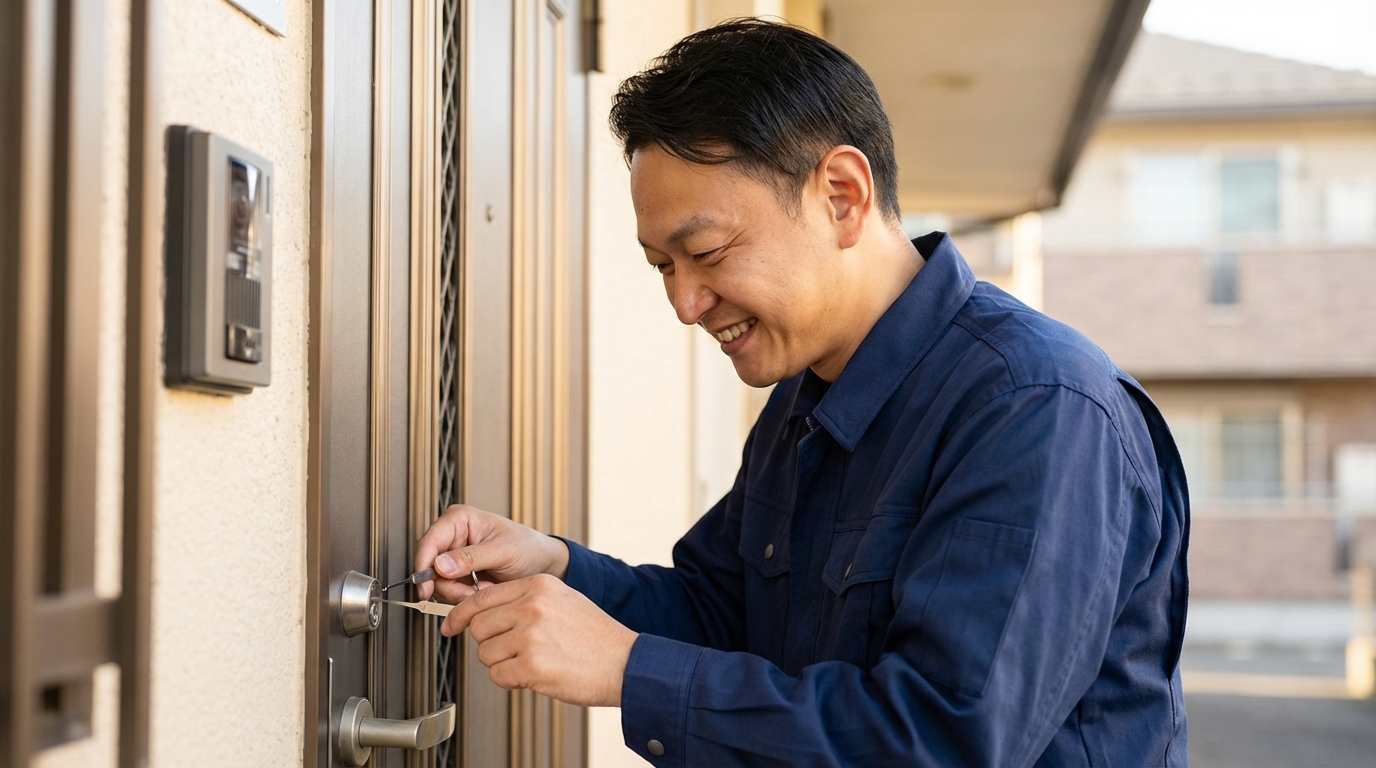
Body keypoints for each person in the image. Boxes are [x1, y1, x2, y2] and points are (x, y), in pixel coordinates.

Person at [414, 18, 1190, 767]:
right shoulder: (807, 396)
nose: (685, 305)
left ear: (843, 196)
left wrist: (625, 667)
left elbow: (943, 742)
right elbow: (722, 617)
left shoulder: (1037, 408)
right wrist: (555, 571)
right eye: (662, 268)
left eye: (707, 252)